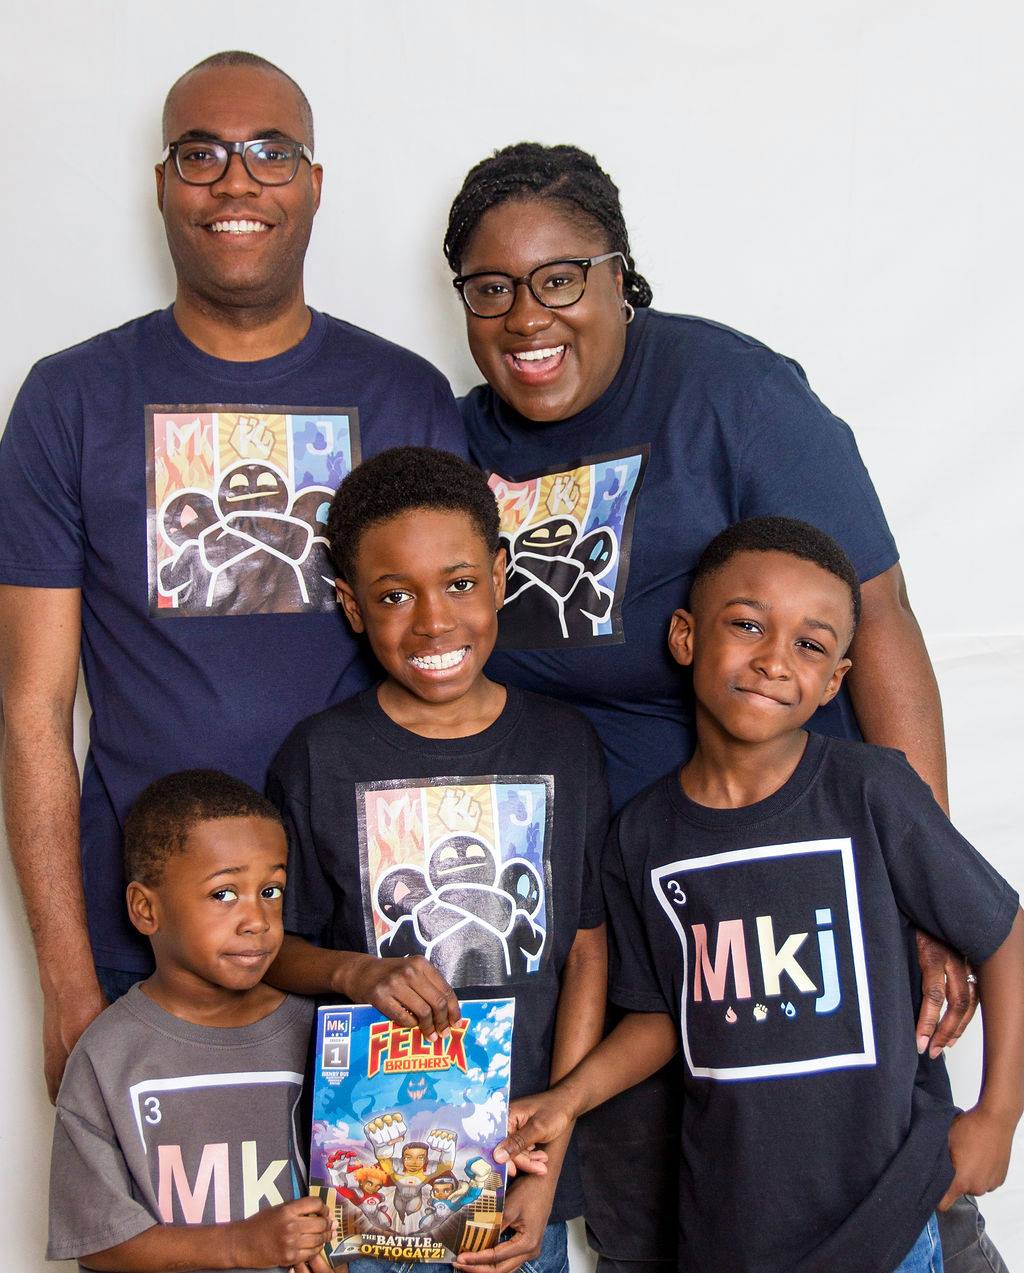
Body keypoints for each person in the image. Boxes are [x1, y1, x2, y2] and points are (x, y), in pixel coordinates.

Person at [442, 142, 993, 1271]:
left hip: (787, 890)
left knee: (875, 1194)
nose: (525, 315)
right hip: (624, 921)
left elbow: (876, 618)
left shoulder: (727, 392)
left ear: (619, 276)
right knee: (674, 1205)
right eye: (489, 288)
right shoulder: (457, 439)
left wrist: (924, 880)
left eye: (560, 277)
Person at [0, 50, 465, 1103]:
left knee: (391, 1252)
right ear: (163, 184)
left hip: (377, 939)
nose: (236, 181)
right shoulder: (70, 401)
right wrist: (68, 981)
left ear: (311, 183)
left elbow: (461, 669)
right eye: (200, 154)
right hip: (153, 951)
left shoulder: (403, 395)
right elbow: (33, 706)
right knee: (176, 1252)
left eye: (271, 152)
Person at [495, 518, 1024, 1273]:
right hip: (730, 1231)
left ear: (836, 679)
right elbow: (660, 1017)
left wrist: (997, 1114)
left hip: (890, 1219)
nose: (775, 659)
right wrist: (568, 1098)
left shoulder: (870, 791)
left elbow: (1005, 933)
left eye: (810, 644)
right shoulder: (642, 835)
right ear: (685, 636)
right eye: (746, 624)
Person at [265, 446, 609, 1273]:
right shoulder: (320, 755)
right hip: (367, 1178)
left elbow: (587, 949)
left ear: (498, 575)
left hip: (523, 1176)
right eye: (393, 595)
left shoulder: (565, 743)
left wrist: (548, 1169)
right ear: (351, 604)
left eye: (458, 584)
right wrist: (358, 973)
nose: (432, 621)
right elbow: (272, 949)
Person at [47, 769, 331, 1272]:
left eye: (271, 890)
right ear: (145, 909)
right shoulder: (107, 1054)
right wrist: (238, 1246)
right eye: (224, 894)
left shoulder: (321, 1032)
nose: (258, 920)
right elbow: (94, 1237)